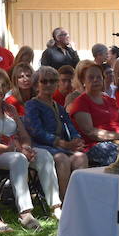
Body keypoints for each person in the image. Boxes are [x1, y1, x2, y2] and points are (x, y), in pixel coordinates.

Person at [0, 68, 59, 229]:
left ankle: (56, 206)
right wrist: (17, 150)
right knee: (18, 159)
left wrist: (26, 146)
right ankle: (25, 213)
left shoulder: (9, 108)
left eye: (3, 85)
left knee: (45, 155)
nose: (0, 89)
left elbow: (24, 134)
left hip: (16, 150)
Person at [26, 66, 88, 200]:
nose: (49, 84)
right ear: (37, 85)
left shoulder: (58, 106)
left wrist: (76, 139)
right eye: (44, 81)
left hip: (59, 146)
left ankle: (79, 198)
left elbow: (70, 126)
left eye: (53, 81)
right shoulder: (32, 105)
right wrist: (62, 143)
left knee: (81, 157)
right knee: (62, 159)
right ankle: (64, 200)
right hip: (39, 146)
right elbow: (36, 132)